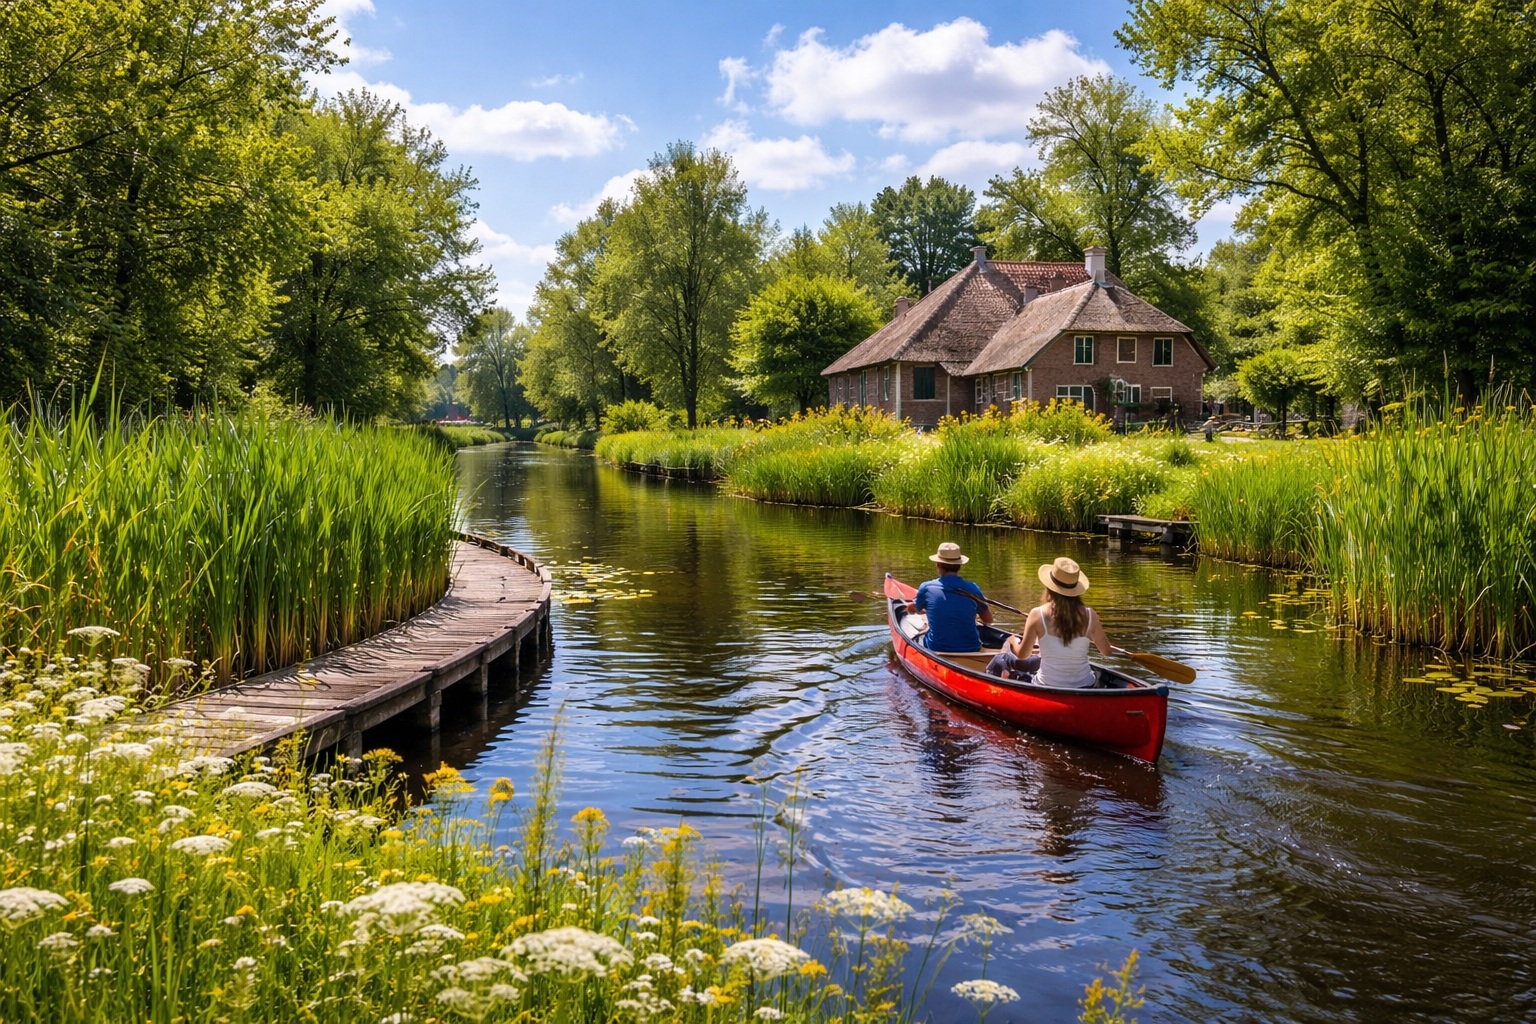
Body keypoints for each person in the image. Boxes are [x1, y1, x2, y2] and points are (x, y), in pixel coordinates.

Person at [986, 556, 1113, 687]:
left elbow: (1023, 655)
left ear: (1050, 587)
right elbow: (1106, 651)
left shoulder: (1037, 614)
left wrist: (1013, 642)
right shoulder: (1090, 615)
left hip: (1047, 684)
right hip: (1086, 684)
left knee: (1003, 657)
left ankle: (992, 691)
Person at [908, 542, 992, 652]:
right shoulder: (973, 589)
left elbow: (914, 609)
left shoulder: (926, 587)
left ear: (938, 565)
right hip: (972, 647)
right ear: (959, 565)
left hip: (937, 647)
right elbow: (988, 620)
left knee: (921, 636)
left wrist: (911, 608)